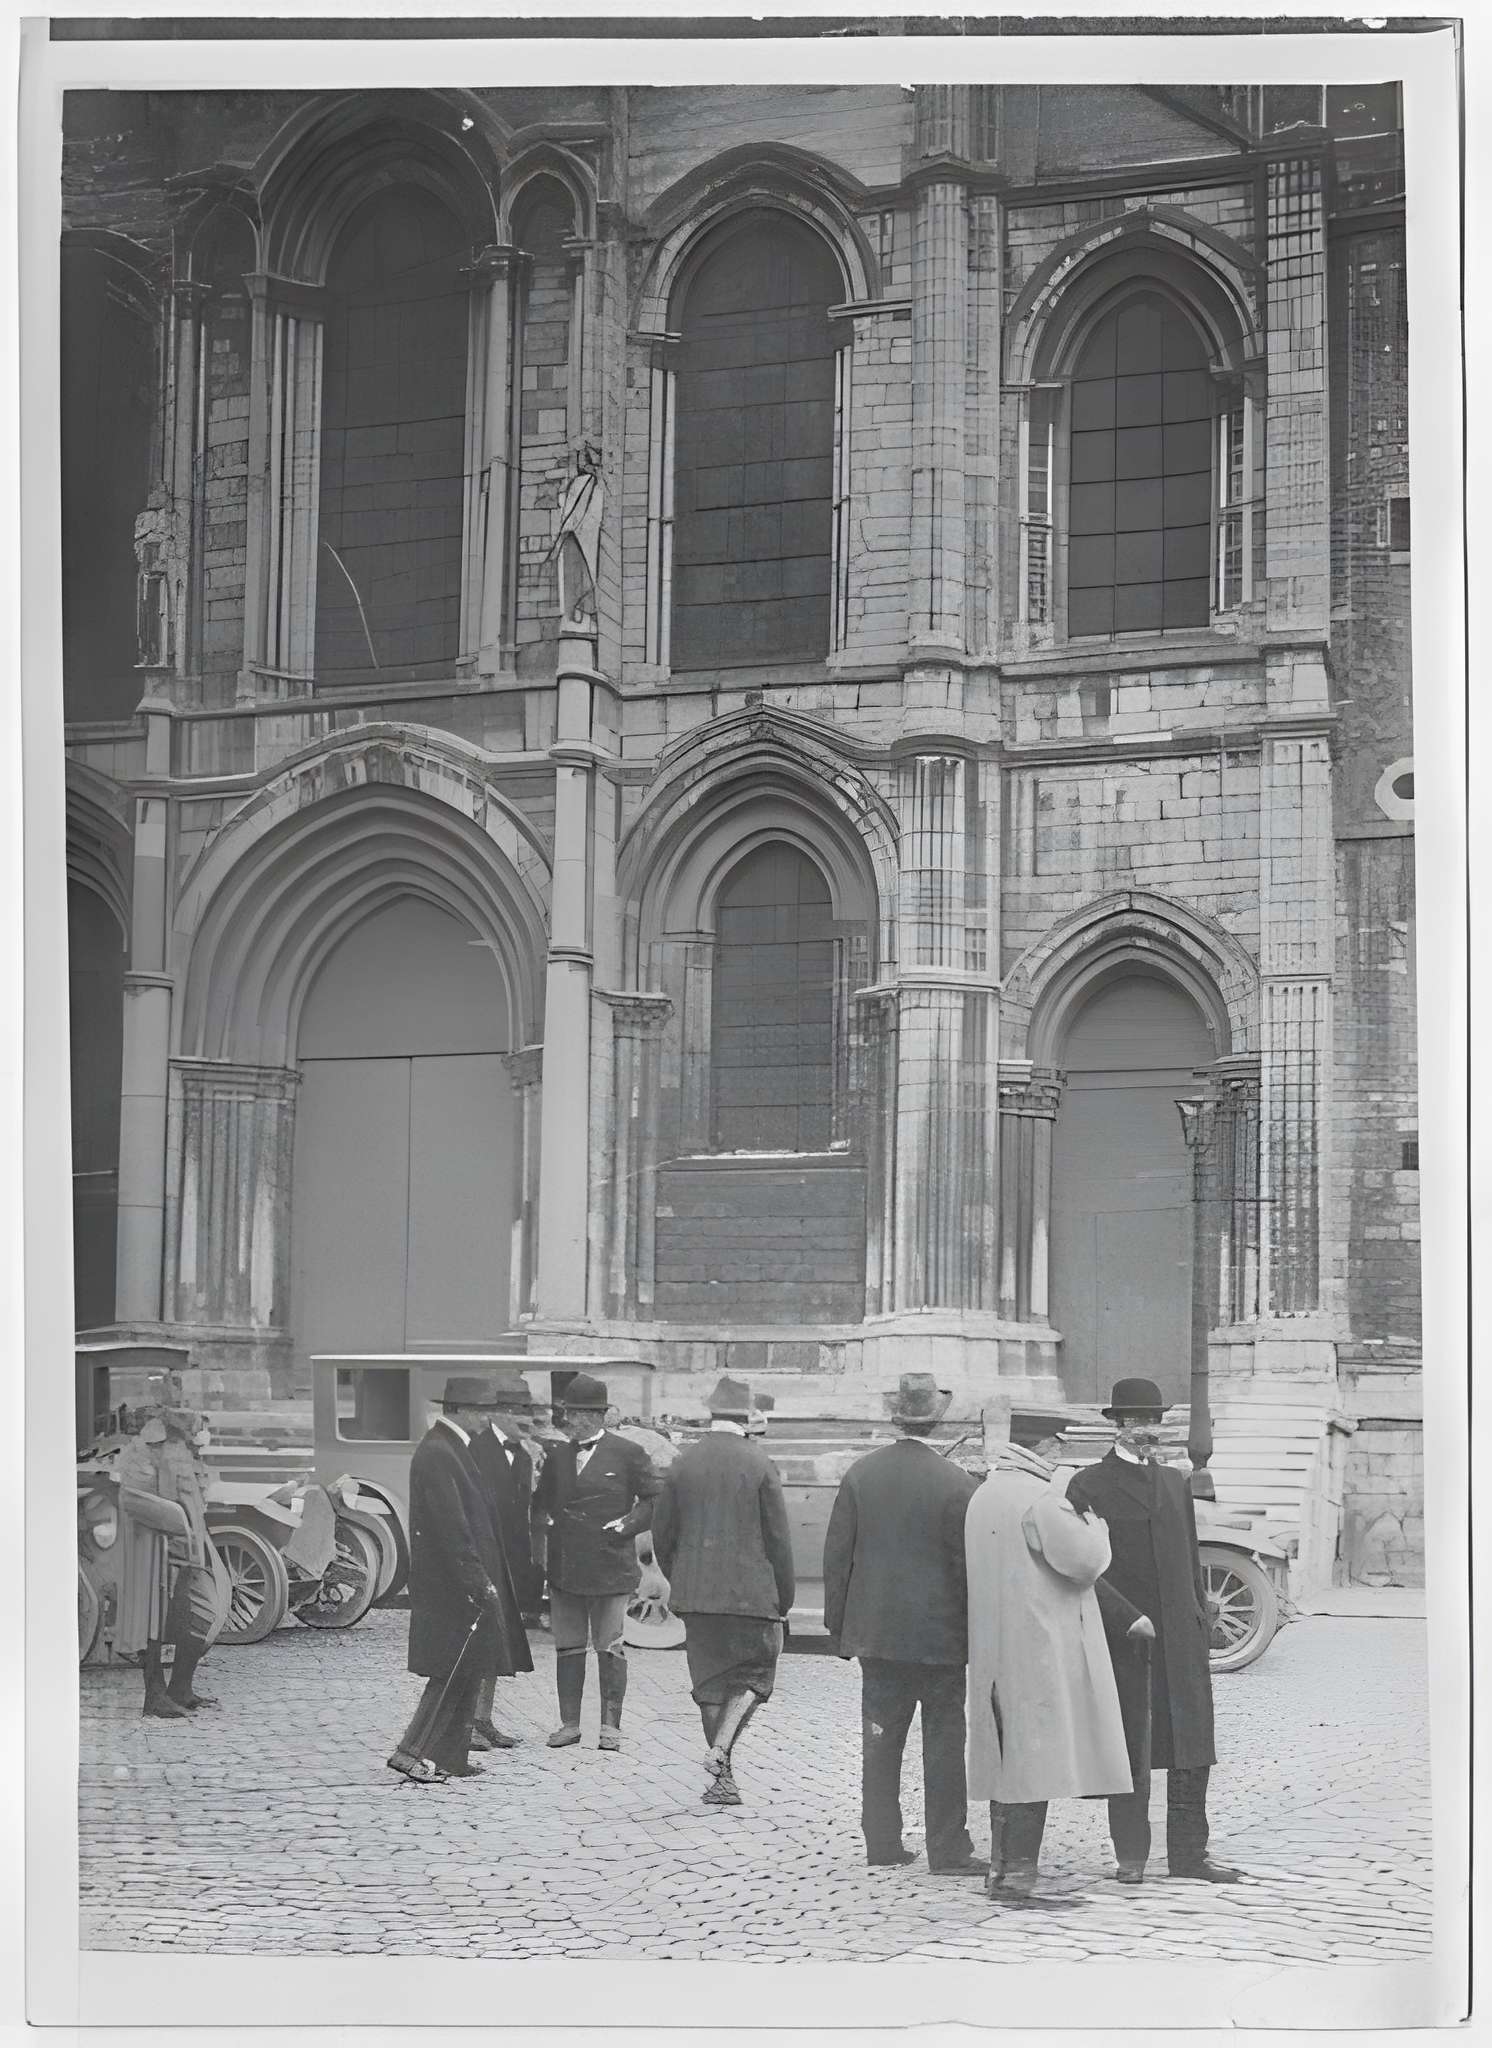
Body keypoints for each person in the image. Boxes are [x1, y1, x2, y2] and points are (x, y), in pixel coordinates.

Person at [1064, 1376, 1242, 1886]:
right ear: (1116, 1426)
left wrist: (1198, 1614)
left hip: (1180, 1636)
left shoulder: (1174, 1482)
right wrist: (1121, 1619)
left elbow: (1189, 1556)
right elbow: (1083, 1569)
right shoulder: (1088, 1485)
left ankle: (1190, 1854)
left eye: (1154, 1421)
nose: (1147, 1431)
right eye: (1137, 1421)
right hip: (1127, 1636)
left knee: (1190, 1745)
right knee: (1133, 1745)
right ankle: (1131, 1856)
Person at [965, 1407, 1134, 1908]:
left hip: (995, 1644)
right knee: (1031, 1758)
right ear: (1044, 1446)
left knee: (1004, 1751)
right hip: (1037, 1645)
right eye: (1057, 1443)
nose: (1060, 1452)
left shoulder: (986, 1493)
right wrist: (1098, 1528)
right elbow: (1084, 1562)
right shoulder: (1042, 1498)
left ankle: (1000, 1869)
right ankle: (1017, 1880)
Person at [822, 1372, 986, 1875]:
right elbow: (967, 1569)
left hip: (877, 1636)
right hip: (940, 1640)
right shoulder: (958, 1483)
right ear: (936, 1423)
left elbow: (838, 1558)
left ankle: (882, 1843)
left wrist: (841, 1630)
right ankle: (947, 1848)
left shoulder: (860, 1474)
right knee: (943, 1743)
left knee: (880, 1738)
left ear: (896, 1417)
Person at [651, 1375, 795, 1808]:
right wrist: (782, 1597)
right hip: (752, 1597)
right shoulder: (759, 1462)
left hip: (697, 1596)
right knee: (755, 1675)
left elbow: (663, 1534)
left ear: (711, 1415)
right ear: (746, 1416)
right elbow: (778, 1539)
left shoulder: (682, 1464)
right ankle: (722, 1753)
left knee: (710, 1685)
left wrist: (683, 1580)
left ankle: (722, 1780)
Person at [387, 1377, 527, 1786]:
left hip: (458, 1582)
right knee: (449, 1671)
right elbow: (453, 1528)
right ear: (462, 1410)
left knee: (469, 1667)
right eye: (483, 1410)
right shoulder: (438, 1452)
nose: (487, 1418)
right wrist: (478, 1580)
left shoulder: (448, 1448)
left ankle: (451, 1756)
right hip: (453, 1586)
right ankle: (409, 1752)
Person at [533, 1372, 658, 1751]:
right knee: (568, 1647)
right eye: (571, 1412)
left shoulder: (628, 1453)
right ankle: (569, 1724)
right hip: (565, 1568)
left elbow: (654, 1501)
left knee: (610, 1648)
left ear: (600, 1415)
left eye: (584, 1413)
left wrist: (625, 1525)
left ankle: (610, 1728)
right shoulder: (557, 1455)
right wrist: (544, 1525)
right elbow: (540, 1506)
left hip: (610, 1566)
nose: (575, 1420)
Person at [114, 1374, 227, 1720]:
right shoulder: (144, 1448)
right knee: (153, 1617)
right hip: (155, 1547)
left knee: (203, 1610)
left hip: (188, 1543)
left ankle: (181, 1687)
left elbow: (194, 1493)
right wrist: (176, 1519)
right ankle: (155, 1695)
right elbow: (137, 1497)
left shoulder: (183, 1448)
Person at [465, 1371, 540, 1751]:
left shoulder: (523, 1458)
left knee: (498, 1643)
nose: (529, 1424)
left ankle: (483, 1718)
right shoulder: (475, 1451)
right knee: (478, 1643)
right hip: (482, 1561)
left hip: (508, 1564)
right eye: (522, 1416)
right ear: (501, 1414)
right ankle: (467, 1724)